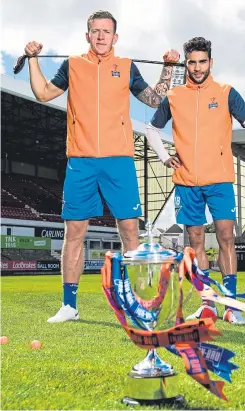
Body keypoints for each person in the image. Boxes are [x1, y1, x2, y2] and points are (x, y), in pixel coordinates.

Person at [24, 10, 179, 323]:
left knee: (130, 230)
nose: (100, 36)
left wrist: (169, 68)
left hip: (119, 159)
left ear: (115, 37)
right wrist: (32, 59)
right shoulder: (73, 65)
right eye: (95, 31)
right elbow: (43, 93)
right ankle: (69, 305)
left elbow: (153, 99)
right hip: (80, 160)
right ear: (87, 35)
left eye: (106, 31)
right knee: (74, 233)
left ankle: (137, 303)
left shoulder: (125, 67)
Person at [146, 37, 245, 324]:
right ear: (186, 63)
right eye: (192, 62)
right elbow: (152, 129)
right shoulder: (175, 97)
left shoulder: (226, 93)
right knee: (196, 241)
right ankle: (207, 305)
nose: (198, 67)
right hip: (187, 181)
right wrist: (166, 157)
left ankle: (229, 305)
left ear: (210, 62)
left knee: (227, 238)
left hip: (220, 180)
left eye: (202, 62)